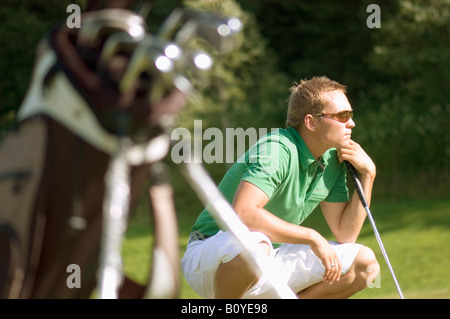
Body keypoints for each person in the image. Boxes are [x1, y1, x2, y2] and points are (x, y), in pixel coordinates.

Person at [181, 76, 380, 299]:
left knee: (365, 264)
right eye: (342, 116)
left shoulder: (333, 160)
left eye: (350, 115)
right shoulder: (276, 149)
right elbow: (243, 213)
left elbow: (346, 233)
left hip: (270, 255)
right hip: (211, 256)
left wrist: (368, 175)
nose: (351, 123)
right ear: (311, 122)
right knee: (255, 245)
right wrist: (312, 237)